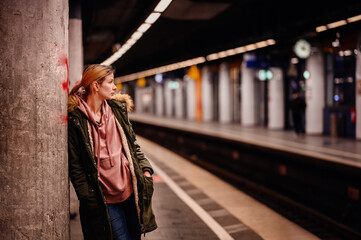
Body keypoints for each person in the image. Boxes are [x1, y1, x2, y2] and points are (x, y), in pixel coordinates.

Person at [68, 64, 157, 240]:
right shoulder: (76, 119)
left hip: (131, 192)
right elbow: (75, 166)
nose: (115, 87)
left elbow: (133, 146)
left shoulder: (117, 110)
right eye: (110, 82)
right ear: (96, 86)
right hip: (104, 199)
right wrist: (88, 197)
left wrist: (145, 171)